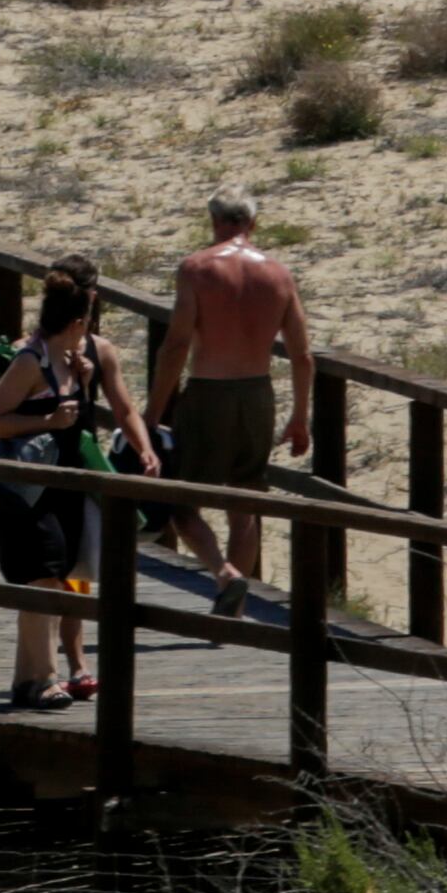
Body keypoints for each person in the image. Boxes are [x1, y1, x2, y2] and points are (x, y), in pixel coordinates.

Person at [0, 266, 155, 708]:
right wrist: (46, 420)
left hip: (62, 483)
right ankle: (46, 679)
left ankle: (27, 679)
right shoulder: (29, 361)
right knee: (42, 578)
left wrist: (85, 381)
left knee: (54, 577)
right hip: (24, 487)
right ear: (77, 322)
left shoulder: (78, 362)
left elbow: (110, 409)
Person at [149, 193, 309, 614]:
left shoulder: (197, 269)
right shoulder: (278, 274)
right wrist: (300, 417)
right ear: (253, 224)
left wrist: (151, 413)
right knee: (246, 505)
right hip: (258, 396)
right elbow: (302, 354)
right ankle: (235, 610)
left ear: (213, 220)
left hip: (208, 393)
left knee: (181, 503)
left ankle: (225, 575)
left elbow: (176, 346)